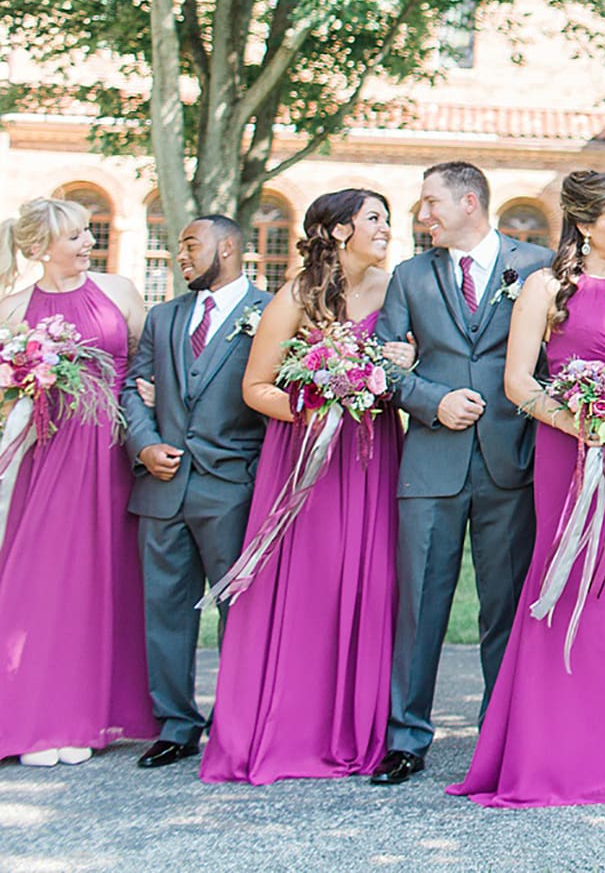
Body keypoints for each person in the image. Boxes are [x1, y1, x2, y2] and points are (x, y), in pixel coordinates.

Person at [449, 170, 605, 807]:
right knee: (569, 587)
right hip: (571, 454)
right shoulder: (544, 287)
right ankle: (563, 751)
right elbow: (517, 383)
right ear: (584, 224)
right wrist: (581, 421)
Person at [200, 190, 413, 784]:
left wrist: (404, 359)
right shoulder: (296, 296)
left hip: (372, 456)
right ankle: (286, 727)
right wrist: (315, 402)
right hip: (305, 457)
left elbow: (413, 366)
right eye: (376, 218)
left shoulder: (398, 288)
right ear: (342, 230)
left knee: (366, 581)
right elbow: (256, 385)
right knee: (304, 583)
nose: (387, 228)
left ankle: (352, 730)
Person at [372, 162, 552, 787]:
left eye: (429, 205)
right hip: (431, 464)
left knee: (504, 607)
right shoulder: (409, 277)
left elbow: (557, 356)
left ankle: (499, 737)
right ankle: (405, 737)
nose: (420, 218)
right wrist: (430, 399)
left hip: (512, 462)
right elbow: (382, 367)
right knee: (419, 605)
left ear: (469, 202)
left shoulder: (538, 265)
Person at [0, 197, 154, 766]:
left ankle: (92, 714)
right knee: (43, 579)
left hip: (113, 453)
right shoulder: (13, 309)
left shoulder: (120, 292)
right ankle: (38, 718)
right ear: (40, 248)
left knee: (108, 578)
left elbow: (144, 362)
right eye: (74, 236)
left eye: (89, 232)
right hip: (53, 455)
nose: (88, 242)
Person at [122, 215, 274, 769]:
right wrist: (144, 445)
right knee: (163, 609)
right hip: (161, 488)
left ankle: (241, 721)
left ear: (228, 247)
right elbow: (130, 388)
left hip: (233, 488)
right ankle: (176, 724)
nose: (180, 254)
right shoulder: (163, 318)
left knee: (241, 612)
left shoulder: (270, 312)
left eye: (191, 244)